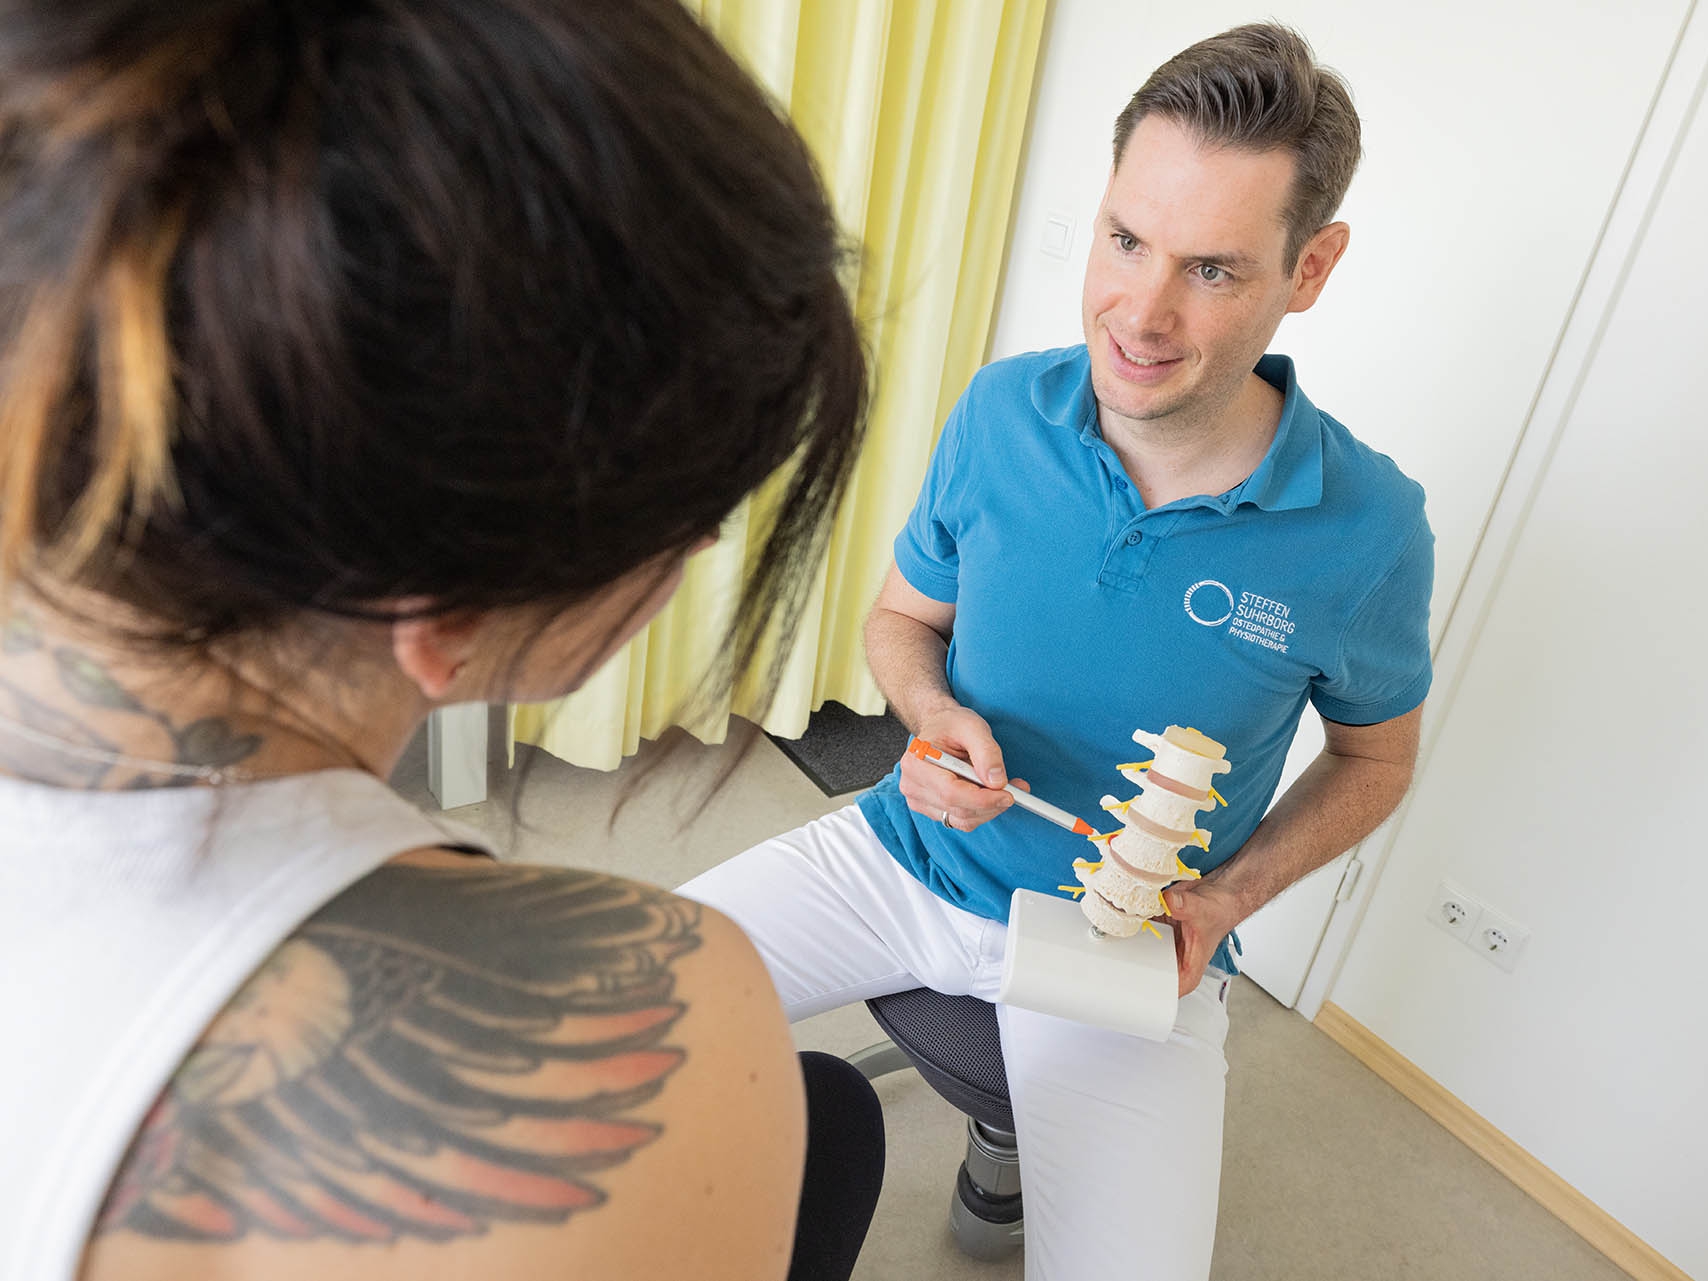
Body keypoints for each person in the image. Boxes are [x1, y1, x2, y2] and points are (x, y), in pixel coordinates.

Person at [0, 2, 884, 1279]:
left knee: (836, 1117)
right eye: (692, 520)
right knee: (821, 1121)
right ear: (446, 609)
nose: (698, 549)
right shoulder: (642, 1033)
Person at [680, 21, 1435, 1280]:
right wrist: (929, 717)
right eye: (1126, 240)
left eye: (1211, 269)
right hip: (903, 858)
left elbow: (1377, 760)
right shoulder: (1001, 411)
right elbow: (901, 622)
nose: (1140, 314)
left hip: (1128, 948)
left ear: (1310, 268)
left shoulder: (1369, 531)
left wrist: (1233, 896)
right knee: (574, 1022)